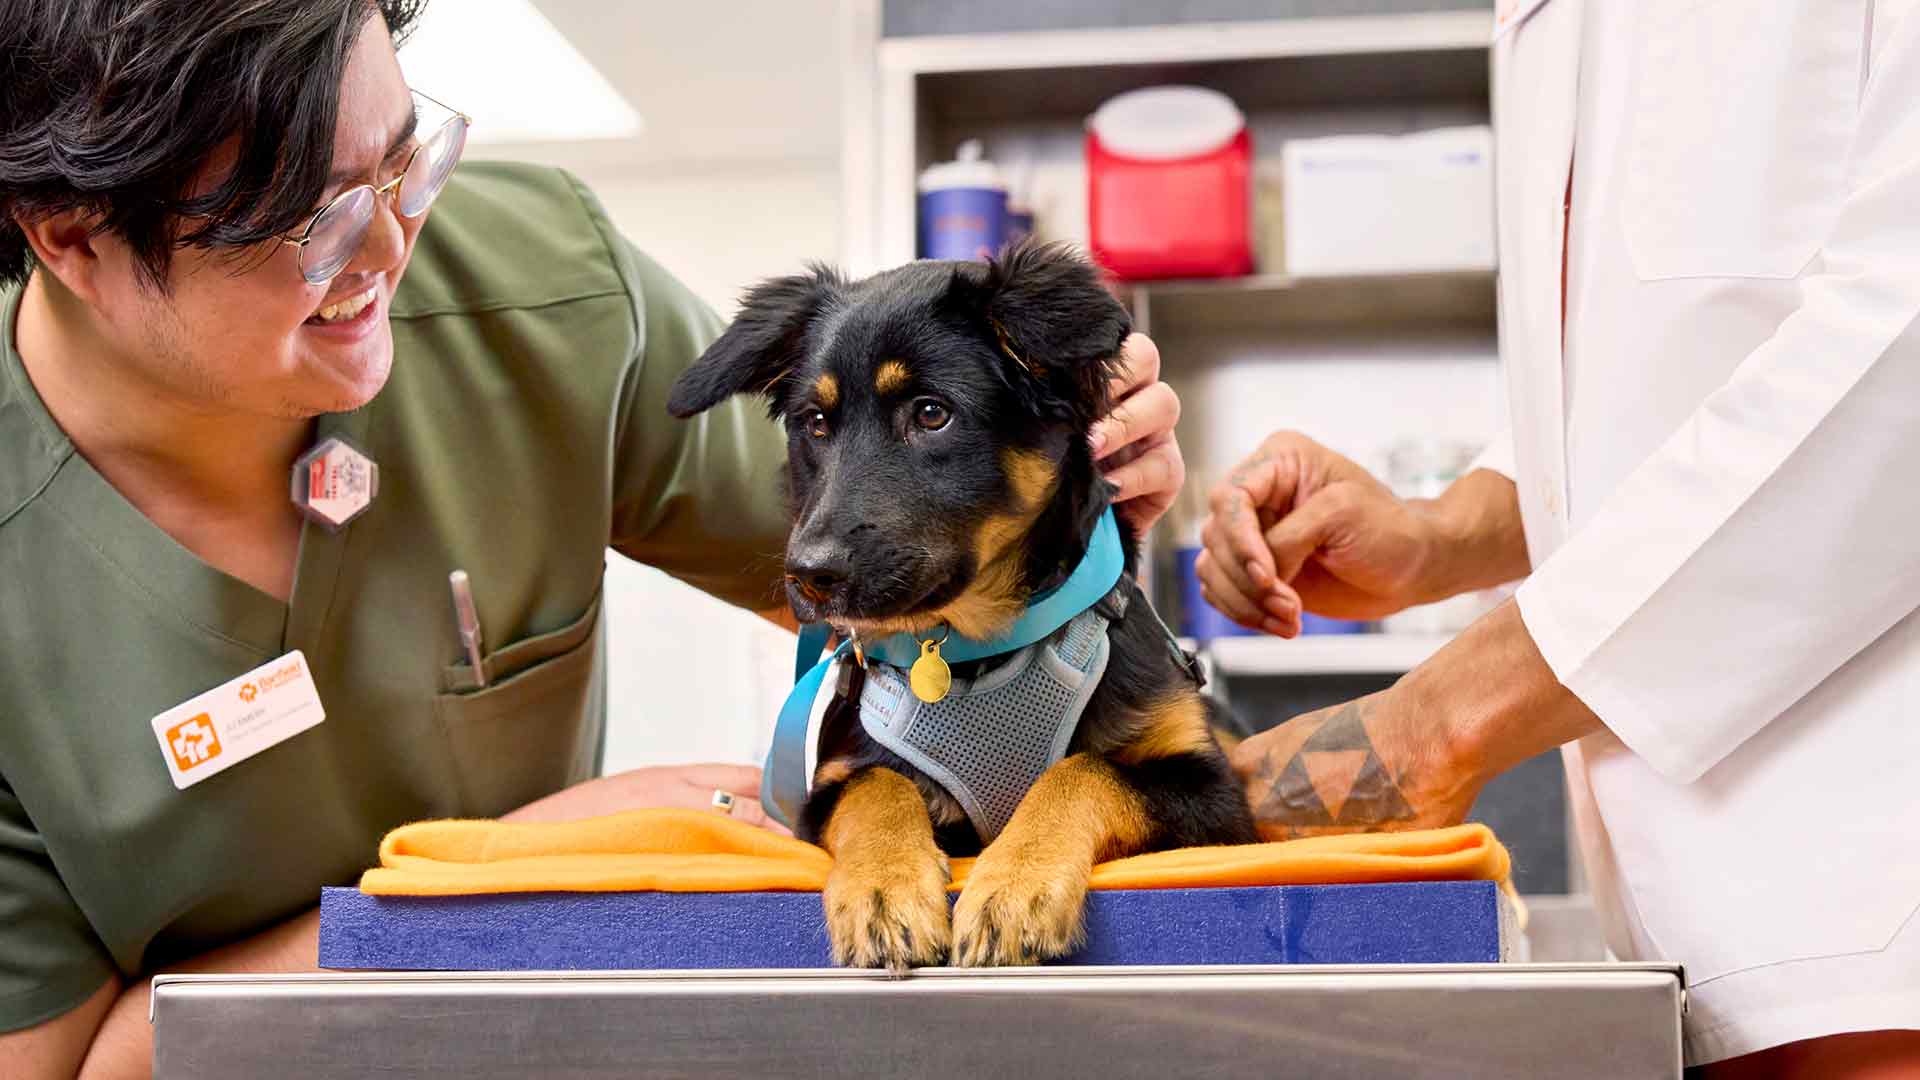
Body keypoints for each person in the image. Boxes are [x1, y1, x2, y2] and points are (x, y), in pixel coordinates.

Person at [0, 3, 1187, 1076]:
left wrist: (1094, 482)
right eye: (307, 222)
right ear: (70, 235)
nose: (388, 253)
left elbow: (918, 583)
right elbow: (76, 1065)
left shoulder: (549, 293)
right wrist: (489, 879)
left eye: (406, 160)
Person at [1201, 1, 1920, 1075]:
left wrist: (1433, 725)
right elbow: (1660, 386)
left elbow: (1893, 365)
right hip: (1701, 935)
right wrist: (1441, 537)